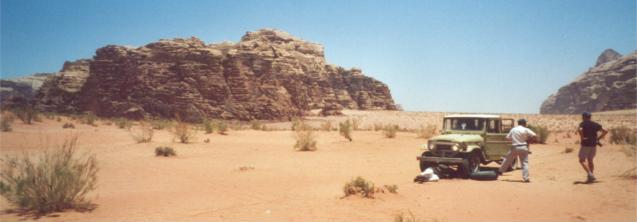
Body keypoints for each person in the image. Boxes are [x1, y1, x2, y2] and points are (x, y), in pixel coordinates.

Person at [577, 112, 608, 183]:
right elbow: (605, 131)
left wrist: (582, 138)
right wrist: (598, 139)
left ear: (584, 117)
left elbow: (580, 130)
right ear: (590, 117)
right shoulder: (595, 124)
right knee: (590, 160)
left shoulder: (583, 123)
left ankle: (590, 174)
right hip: (593, 145)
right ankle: (591, 177)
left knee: (581, 160)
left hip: (586, 144)